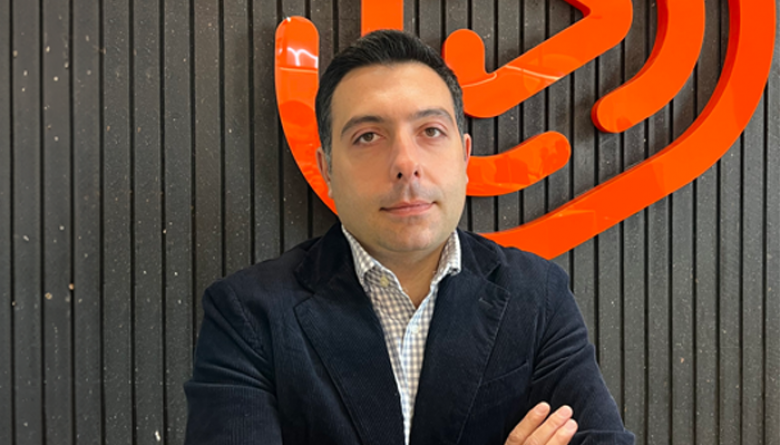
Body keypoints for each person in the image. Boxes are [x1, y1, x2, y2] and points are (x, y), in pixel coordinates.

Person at [183, 29, 635, 445]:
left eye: (431, 131)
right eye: (368, 136)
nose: (405, 163)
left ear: (464, 156)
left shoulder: (536, 295)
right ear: (327, 169)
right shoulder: (249, 314)